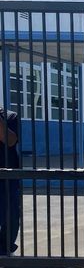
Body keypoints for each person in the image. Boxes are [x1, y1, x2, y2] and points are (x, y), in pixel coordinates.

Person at [0, 107, 20, 256]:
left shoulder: (10, 116)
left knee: (9, 213)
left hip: (6, 175)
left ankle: (4, 250)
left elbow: (10, 140)